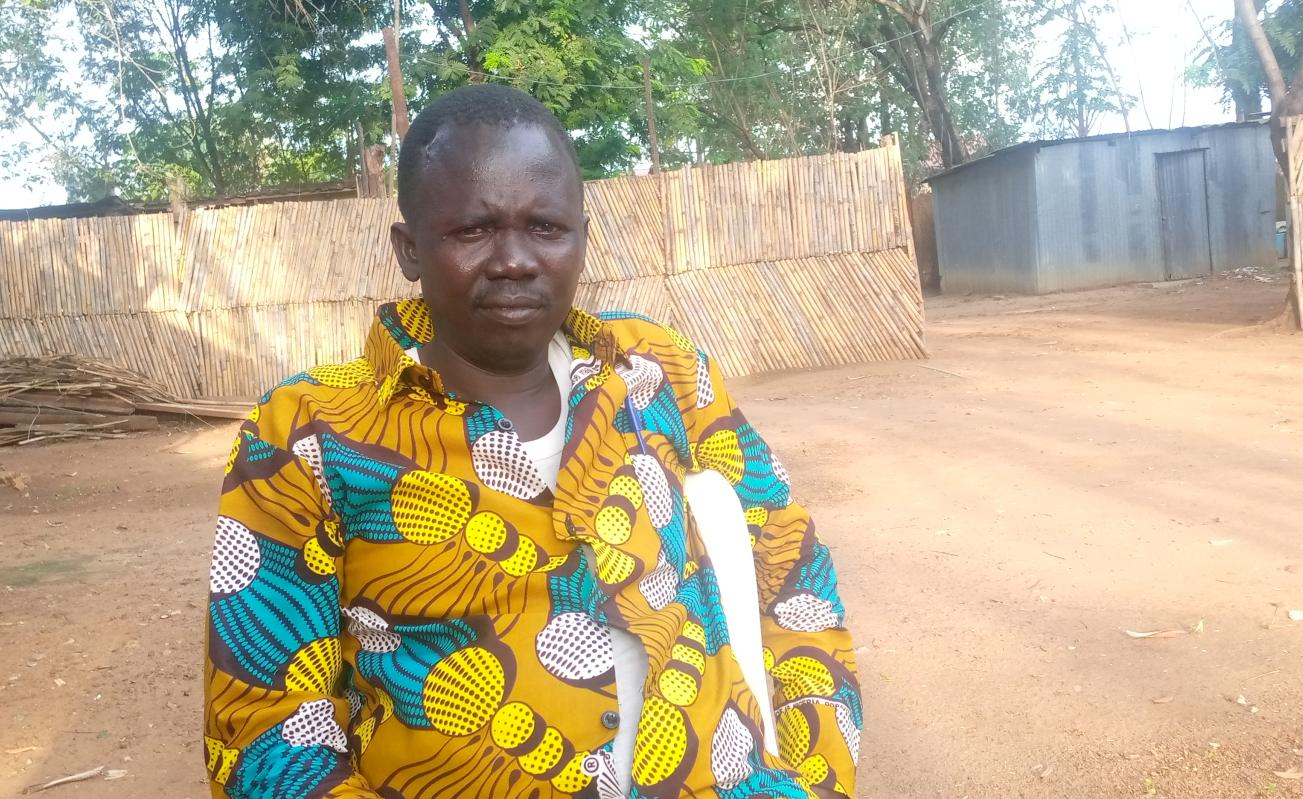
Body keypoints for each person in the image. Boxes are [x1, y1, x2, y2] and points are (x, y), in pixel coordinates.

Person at [203, 84, 860, 799]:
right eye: (472, 230)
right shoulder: (309, 432)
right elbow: (264, 727)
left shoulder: (658, 371)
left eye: (546, 227)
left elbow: (791, 567)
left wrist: (817, 777)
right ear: (410, 249)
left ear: (582, 236)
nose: (514, 260)